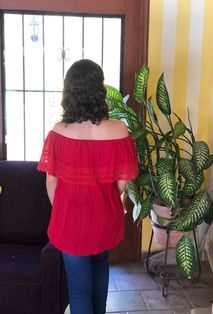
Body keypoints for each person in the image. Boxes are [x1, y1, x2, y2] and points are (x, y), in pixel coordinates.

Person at [37, 59, 138, 314]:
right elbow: (123, 179)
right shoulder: (119, 130)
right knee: (100, 268)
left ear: (68, 92)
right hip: (104, 218)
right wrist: (101, 202)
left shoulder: (58, 133)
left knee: (79, 288)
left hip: (70, 222)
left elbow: (51, 182)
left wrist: (68, 209)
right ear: (99, 90)